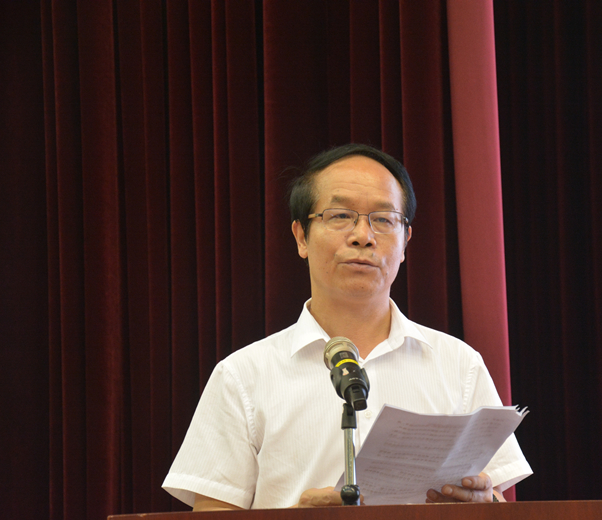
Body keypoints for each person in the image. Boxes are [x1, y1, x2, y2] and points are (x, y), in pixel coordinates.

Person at [162, 144, 532, 510]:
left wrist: (485, 503)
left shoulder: (459, 365)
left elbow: (497, 497)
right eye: (340, 216)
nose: (363, 236)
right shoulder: (242, 376)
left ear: (405, 242)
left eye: (384, 220)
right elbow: (213, 513)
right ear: (301, 237)